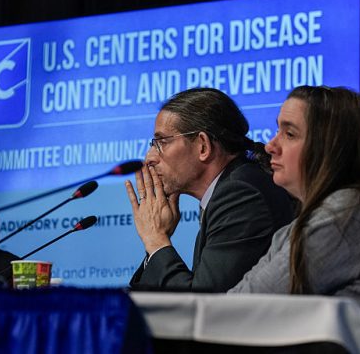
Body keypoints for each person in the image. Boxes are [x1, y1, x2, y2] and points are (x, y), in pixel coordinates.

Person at [228, 86, 360, 306]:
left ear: (330, 147)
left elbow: (247, 304)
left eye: (289, 134)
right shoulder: (306, 221)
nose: (270, 146)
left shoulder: (347, 211)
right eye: (277, 131)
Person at [125, 87, 294, 292]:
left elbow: (202, 303)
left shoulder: (240, 195)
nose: (149, 158)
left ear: (203, 146)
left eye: (161, 142)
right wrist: (156, 244)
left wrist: (156, 240)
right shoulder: (227, 190)